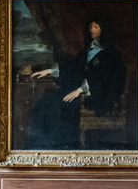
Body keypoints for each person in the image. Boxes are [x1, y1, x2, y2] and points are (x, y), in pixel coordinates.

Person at [25, 19, 125, 149]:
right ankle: (40, 145)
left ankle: (61, 146)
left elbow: (107, 78)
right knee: (45, 102)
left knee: (59, 107)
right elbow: (73, 66)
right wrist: (49, 70)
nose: (92, 30)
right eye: (90, 27)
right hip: (79, 90)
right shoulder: (89, 48)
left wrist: (80, 90)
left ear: (103, 29)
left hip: (97, 95)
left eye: (96, 27)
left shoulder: (111, 52)